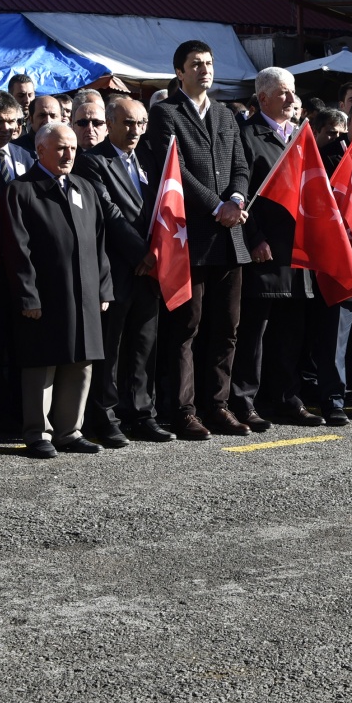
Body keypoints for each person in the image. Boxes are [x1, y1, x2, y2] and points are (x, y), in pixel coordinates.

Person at [145, 41, 251, 440]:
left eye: (208, 62)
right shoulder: (165, 113)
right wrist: (216, 207)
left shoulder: (224, 113)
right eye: (196, 64)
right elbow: (175, 171)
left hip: (229, 238)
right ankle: (183, 410)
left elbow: (241, 165)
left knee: (226, 327)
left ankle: (218, 405)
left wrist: (237, 199)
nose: (205, 69)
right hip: (191, 237)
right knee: (186, 328)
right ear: (179, 71)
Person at [0, 123, 112, 457]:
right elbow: (17, 249)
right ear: (41, 149)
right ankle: (38, 432)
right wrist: (27, 295)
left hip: (86, 292)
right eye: (61, 148)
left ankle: (69, 431)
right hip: (45, 293)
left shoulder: (84, 188)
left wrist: (104, 288)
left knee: (82, 361)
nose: (68, 155)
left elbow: (99, 243)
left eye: (73, 149)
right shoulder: (21, 190)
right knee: (41, 362)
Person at [71, 95, 173, 445]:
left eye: (141, 124)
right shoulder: (91, 162)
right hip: (116, 267)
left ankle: (143, 413)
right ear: (110, 123)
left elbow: (165, 204)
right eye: (128, 123)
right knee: (111, 347)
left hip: (151, 267)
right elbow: (109, 213)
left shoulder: (149, 157)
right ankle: (106, 415)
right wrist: (142, 253)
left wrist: (158, 253)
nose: (135, 130)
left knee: (144, 344)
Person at [234, 66, 323, 427]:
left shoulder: (301, 137)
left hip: (297, 250)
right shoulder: (247, 135)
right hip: (266, 250)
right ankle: (244, 401)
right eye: (283, 92)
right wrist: (254, 238)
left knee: (290, 332)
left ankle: (286, 397)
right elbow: (241, 191)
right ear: (264, 97)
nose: (291, 98)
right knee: (256, 332)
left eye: (293, 91)